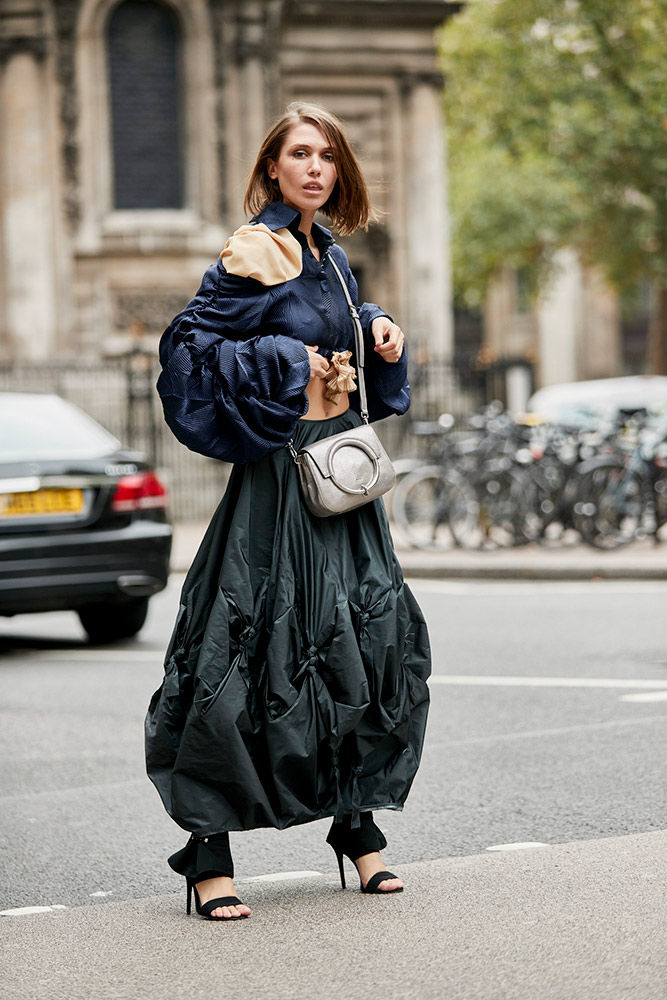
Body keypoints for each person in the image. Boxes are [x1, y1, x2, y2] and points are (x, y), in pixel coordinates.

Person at [145, 102, 431, 921]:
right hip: (277, 484)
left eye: (327, 156)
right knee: (243, 652)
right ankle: (208, 847)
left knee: (369, 644)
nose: (315, 167)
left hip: (340, 476)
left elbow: (329, 323)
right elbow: (190, 348)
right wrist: (281, 358)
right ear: (272, 167)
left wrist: (374, 326)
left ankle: (355, 823)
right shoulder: (255, 250)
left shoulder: (328, 255)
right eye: (299, 154)